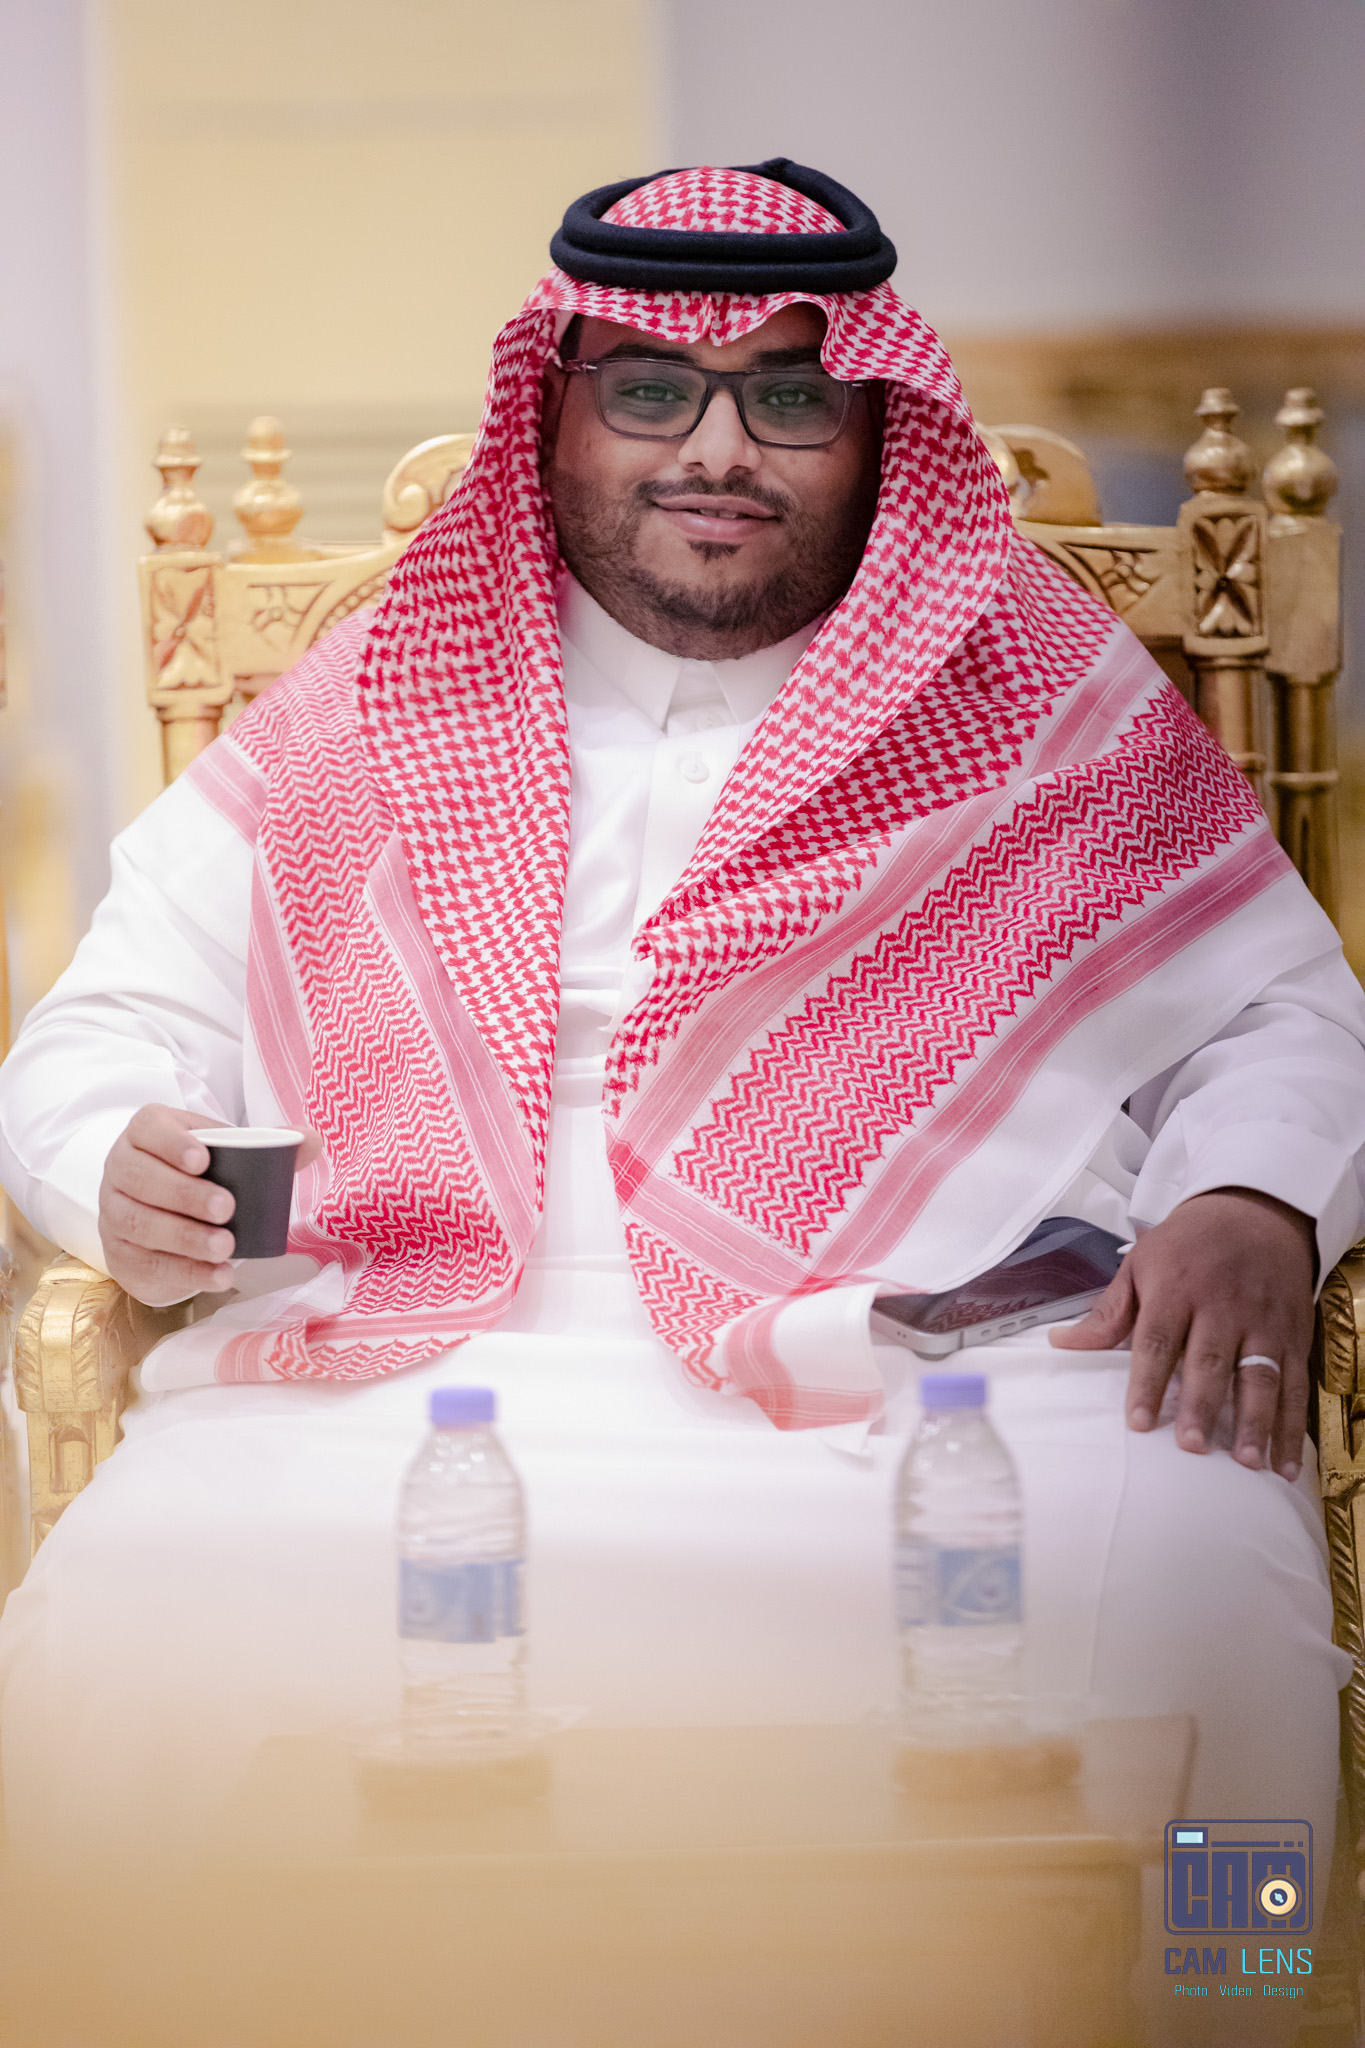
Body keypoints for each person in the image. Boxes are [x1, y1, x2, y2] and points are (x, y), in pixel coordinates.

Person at [0, 161, 1359, 2036]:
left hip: (946, 1351)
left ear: (872, 427)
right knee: (134, 1607)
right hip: (419, 1347)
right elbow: (99, 1028)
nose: (716, 448)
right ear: (555, 410)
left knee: (1206, 1584)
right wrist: (107, 1166)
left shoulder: (1040, 695)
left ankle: (1245, 2001)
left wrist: (1249, 1195)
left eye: (787, 395)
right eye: (652, 387)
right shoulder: (382, 697)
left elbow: (1286, 1013)